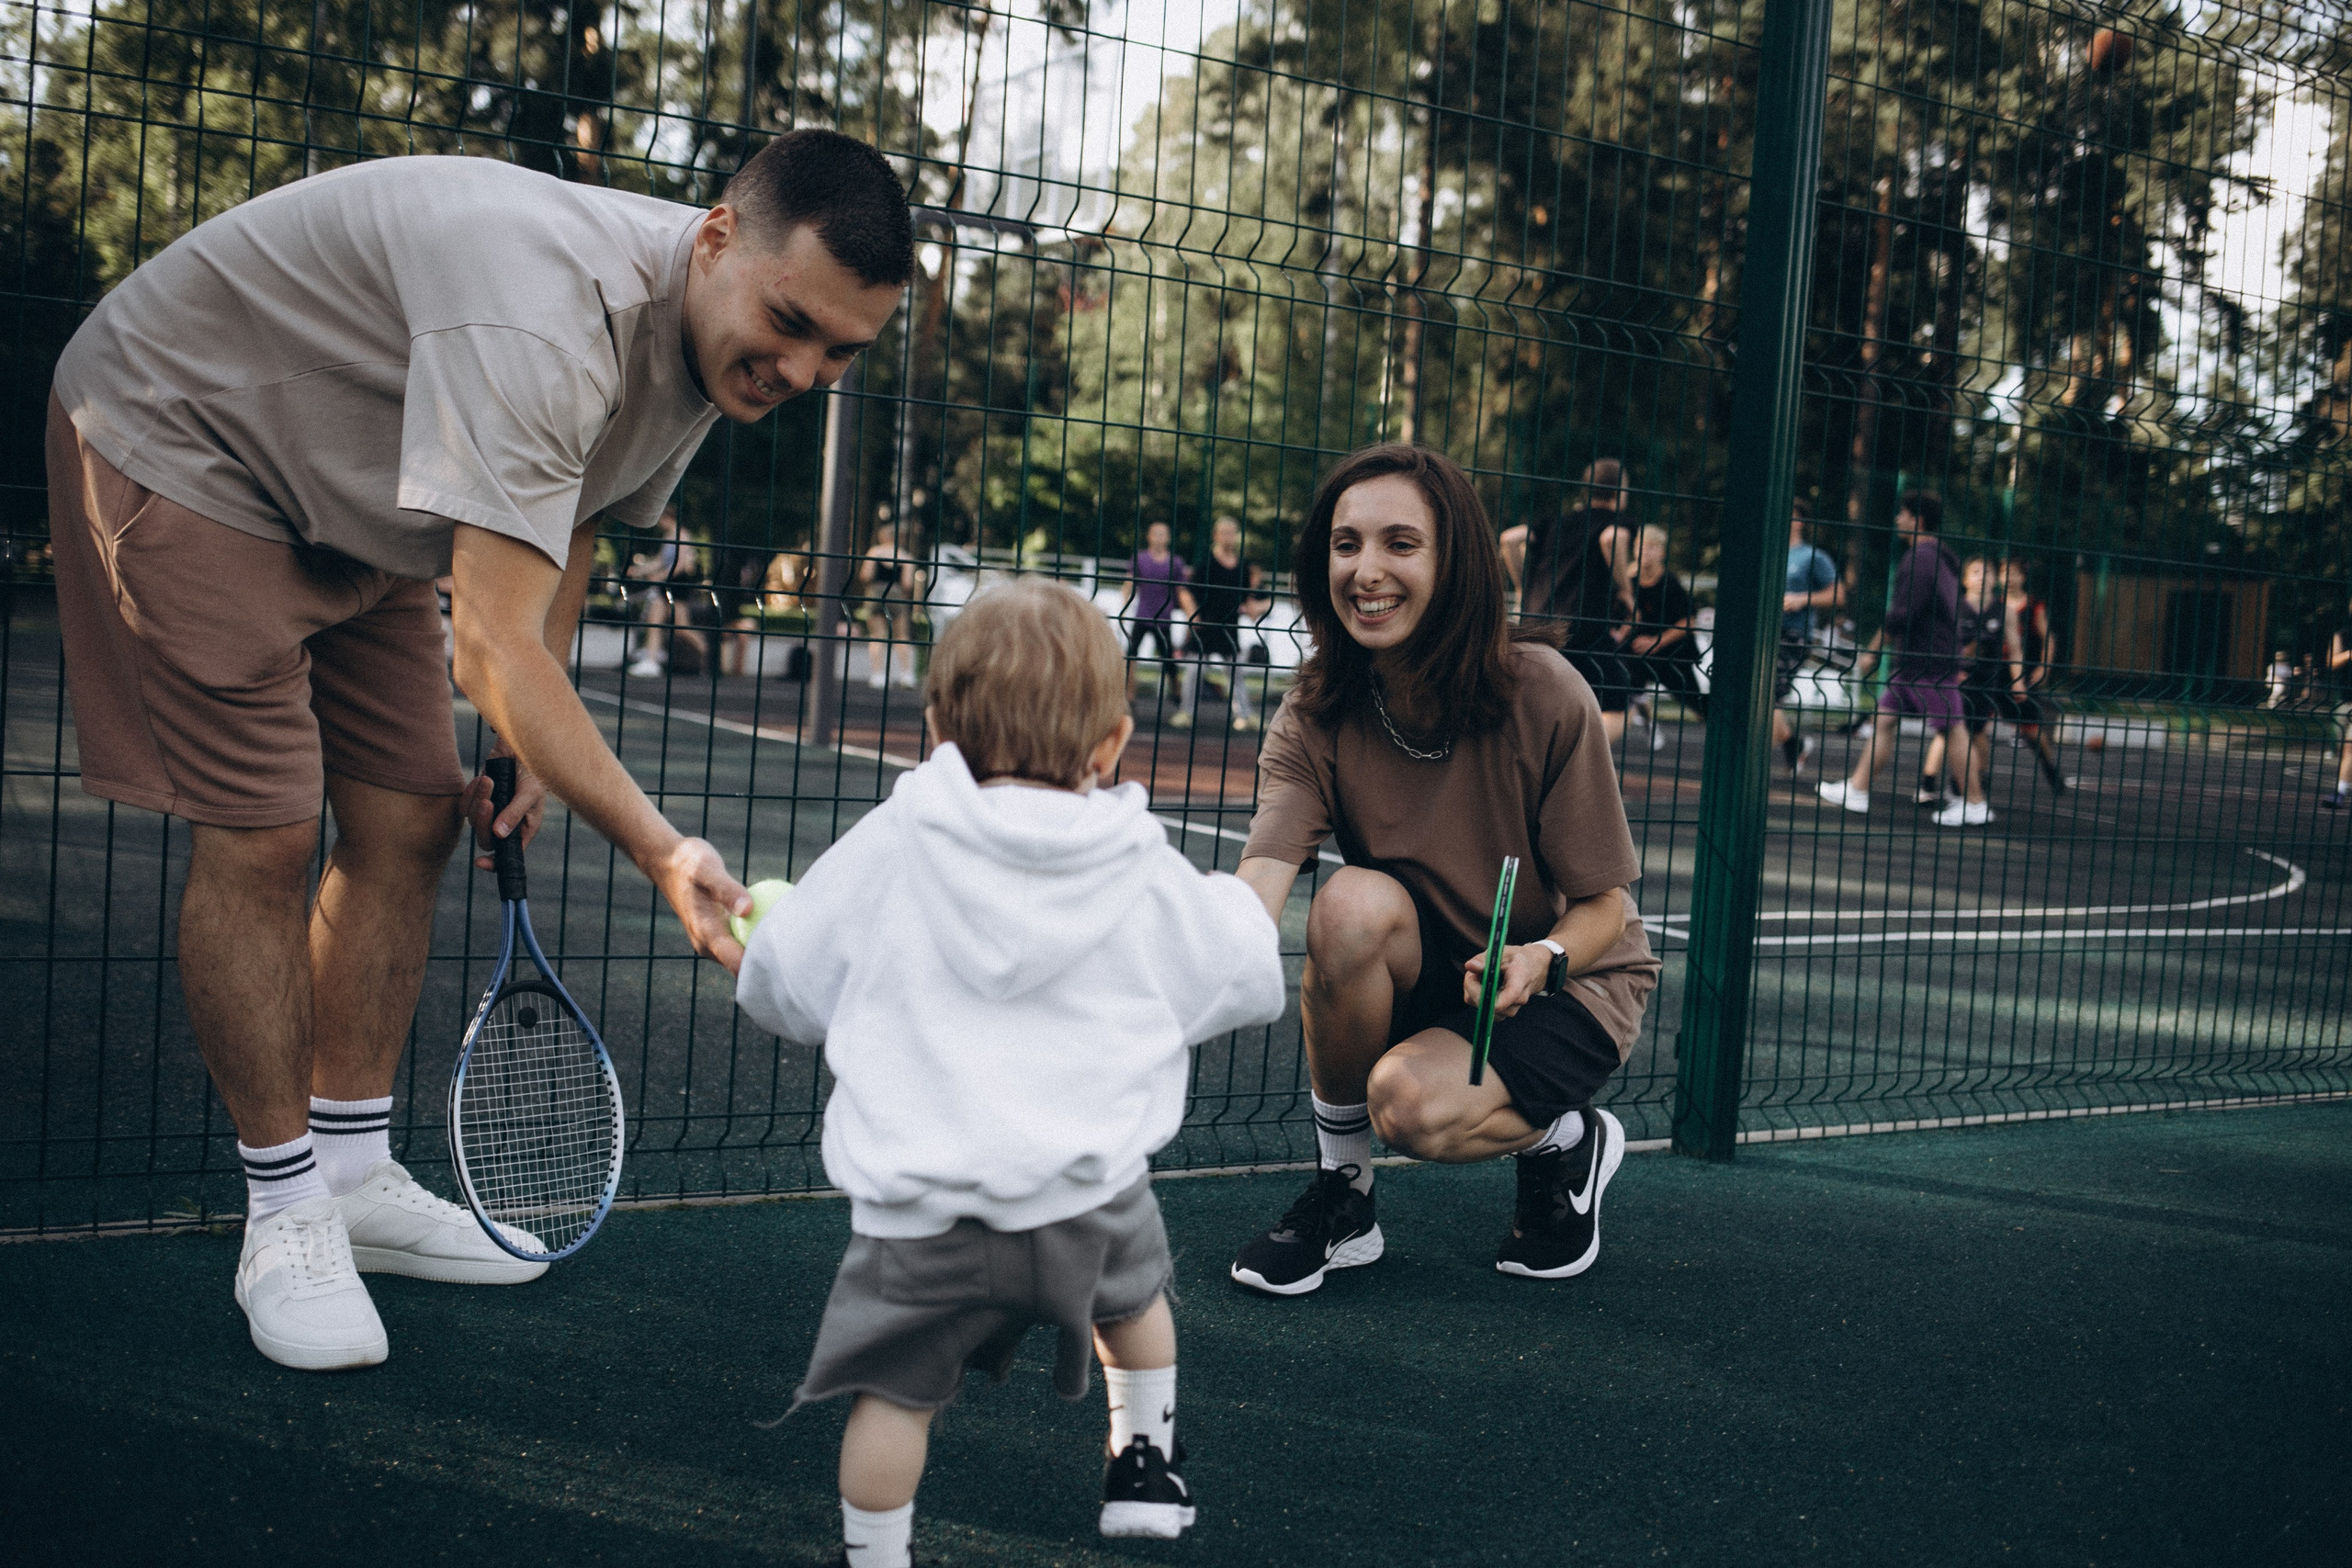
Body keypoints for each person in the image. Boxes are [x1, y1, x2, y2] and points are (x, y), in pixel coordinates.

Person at [44, 130, 912, 1370]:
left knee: (410, 813)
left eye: (843, 349)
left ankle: (352, 1172)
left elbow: (572, 534)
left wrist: (524, 752)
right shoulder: (550, 321)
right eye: (791, 323)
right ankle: (286, 1206)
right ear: (716, 238)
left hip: (362, 495)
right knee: (270, 829)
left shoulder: (714, 343)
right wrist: (662, 849)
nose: (803, 367)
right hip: (182, 434)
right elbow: (494, 650)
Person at [734, 579, 1285, 1563]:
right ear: (1112, 745)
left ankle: (877, 1554)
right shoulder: (1135, 857)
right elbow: (1236, 970)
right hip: (1087, 1195)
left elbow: (787, 989)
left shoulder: (891, 843)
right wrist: (1248, 912)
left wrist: (755, 954)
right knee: (1137, 1309)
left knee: (894, 1404)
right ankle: (1143, 1464)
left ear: (937, 728)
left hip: (921, 1218)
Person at [1225, 444, 1661, 1296]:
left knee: (1410, 1105)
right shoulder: (1316, 709)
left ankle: (1568, 1142)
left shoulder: (1543, 691)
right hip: (1436, 966)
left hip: (1568, 977)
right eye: (1346, 544)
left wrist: (1538, 958)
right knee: (1345, 905)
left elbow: (1607, 906)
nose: (1367, 570)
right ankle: (1345, 1197)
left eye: (1400, 543)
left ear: (1453, 560)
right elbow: (1262, 879)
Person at [1819, 491, 1963, 815]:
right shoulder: (1940, 559)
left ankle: (1975, 801)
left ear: (1918, 520)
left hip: (1929, 660)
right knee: (1883, 721)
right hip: (1916, 660)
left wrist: (1872, 650)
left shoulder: (1920, 560)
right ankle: (1858, 789)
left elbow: (1901, 613)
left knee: (1952, 728)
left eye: (1903, 513)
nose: (1898, 519)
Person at [1500, 458, 1636, 742]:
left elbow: (1510, 539)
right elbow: (1611, 539)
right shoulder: (1617, 521)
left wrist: (1521, 586)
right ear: (1620, 491)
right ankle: (1576, 756)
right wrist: (1624, 589)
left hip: (1536, 625)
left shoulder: (1558, 522)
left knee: (1541, 701)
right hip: (1581, 628)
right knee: (1619, 703)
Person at [1173, 515, 1272, 733]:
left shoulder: (1243, 567)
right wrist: (1193, 617)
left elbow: (1249, 602)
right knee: (1193, 672)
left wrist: (1265, 605)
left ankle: (1245, 715)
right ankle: (1185, 712)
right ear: (1216, 535)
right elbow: (1185, 593)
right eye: (1224, 532)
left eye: (1232, 532)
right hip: (1205, 627)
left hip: (1229, 629)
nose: (1228, 536)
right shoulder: (1206, 564)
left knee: (1235, 673)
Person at [1620, 525, 1705, 747]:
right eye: (1640, 547)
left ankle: (1721, 739)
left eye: (1651, 547)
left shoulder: (1670, 583)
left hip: (1671, 652)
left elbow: (1689, 621)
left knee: (1695, 702)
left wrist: (1657, 642)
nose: (1645, 552)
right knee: (1628, 685)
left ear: (1661, 552)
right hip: (1638, 650)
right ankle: (1648, 724)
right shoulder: (1626, 580)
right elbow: (1626, 616)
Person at [1939, 557, 2007, 828]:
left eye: (1987, 572)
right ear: (1966, 580)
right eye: (1976, 572)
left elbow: (2013, 648)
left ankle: (1976, 780)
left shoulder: (2003, 612)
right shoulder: (1956, 608)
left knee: (1977, 731)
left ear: (1995, 579)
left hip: (1986, 680)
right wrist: (1952, 667)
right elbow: (1945, 642)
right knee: (1954, 730)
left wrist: (2017, 681)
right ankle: (1956, 786)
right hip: (1957, 680)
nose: (1982, 577)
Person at [1772, 501, 1839, 773]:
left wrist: (1802, 599)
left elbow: (1837, 594)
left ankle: (1791, 746)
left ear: (1799, 521)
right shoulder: (1770, 553)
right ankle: (1792, 744)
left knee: (1767, 695)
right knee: (1757, 697)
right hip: (1766, 634)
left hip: (1794, 634)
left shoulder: (1813, 557)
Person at [1119, 520, 1189, 703]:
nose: (1158, 538)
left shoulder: (1175, 562)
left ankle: (1176, 693)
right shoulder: (1140, 558)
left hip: (1164, 618)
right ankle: (1129, 695)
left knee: (1168, 660)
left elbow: (1182, 591)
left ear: (1168, 538)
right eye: (1155, 534)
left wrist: (1190, 613)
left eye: (1162, 534)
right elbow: (1129, 583)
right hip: (1142, 616)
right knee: (1130, 656)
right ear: (1149, 537)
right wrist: (1124, 607)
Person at [625, 507, 698, 677]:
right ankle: (651, 661)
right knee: (654, 621)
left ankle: (706, 652)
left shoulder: (683, 535)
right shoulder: (669, 536)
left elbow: (680, 565)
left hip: (677, 585)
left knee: (681, 628)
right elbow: (660, 561)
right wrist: (638, 571)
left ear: (667, 517)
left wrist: (661, 577)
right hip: (666, 585)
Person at [855, 521, 923, 689]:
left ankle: (878, 676)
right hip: (896, 595)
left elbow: (865, 575)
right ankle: (907, 675)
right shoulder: (905, 556)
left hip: (876, 594)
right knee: (901, 636)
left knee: (877, 635)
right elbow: (907, 584)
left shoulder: (875, 552)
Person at [2324, 601, 2352, 810]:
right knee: (2344, 749)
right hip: (2345, 699)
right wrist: (2350, 654)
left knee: (2350, 748)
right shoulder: (2343, 634)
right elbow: (2331, 662)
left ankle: (2340, 792)